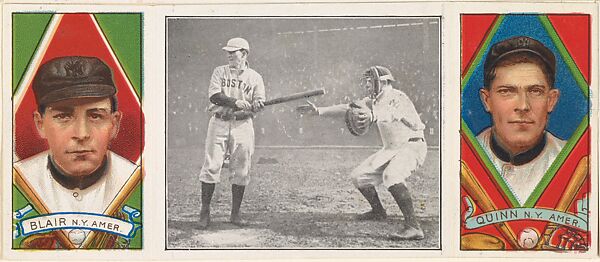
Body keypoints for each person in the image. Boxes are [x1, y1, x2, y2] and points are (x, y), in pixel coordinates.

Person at [13, 56, 139, 246]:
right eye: (63, 116)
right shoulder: (16, 181)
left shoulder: (137, 180)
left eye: (96, 116)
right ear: (40, 124)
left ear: (114, 124)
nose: (81, 134)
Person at [297, 66, 427, 240]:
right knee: (358, 177)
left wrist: (373, 116)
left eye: (370, 80)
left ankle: (413, 226)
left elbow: (391, 114)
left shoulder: (397, 97)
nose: (367, 84)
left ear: (383, 82)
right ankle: (378, 212)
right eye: (366, 81)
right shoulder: (373, 100)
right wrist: (320, 111)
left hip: (412, 145)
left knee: (392, 175)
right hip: (391, 148)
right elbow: (347, 108)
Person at [477, 36, 563, 205]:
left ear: (551, 100)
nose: (523, 106)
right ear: (487, 100)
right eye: (507, 91)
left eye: (535, 91)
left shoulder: (577, 161)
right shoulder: (464, 155)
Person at [198, 37, 265, 229]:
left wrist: (257, 104)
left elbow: (260, 102)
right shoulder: (220, 71)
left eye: (233, 52)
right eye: (228, 52)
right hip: (219, 122)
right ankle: (205, 211)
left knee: (242, 169)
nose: (229, 55)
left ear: (244, 54)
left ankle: (235, 212)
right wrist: (235, 102)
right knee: (211, 166)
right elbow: (214, 95)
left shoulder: (255, 77)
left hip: (243, 125)